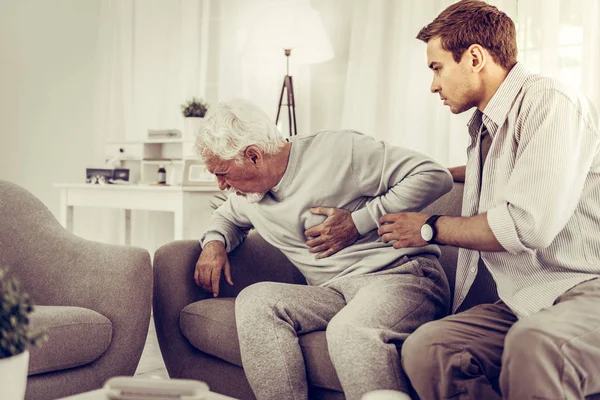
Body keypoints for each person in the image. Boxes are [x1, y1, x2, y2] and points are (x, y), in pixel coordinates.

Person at [372, 1, 600, 399]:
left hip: (586, 289)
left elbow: (528, 224)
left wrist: (429, 227)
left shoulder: (550, 103)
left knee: (535, 344)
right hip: (527, 301)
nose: (433, 85)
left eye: (436, 67)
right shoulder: (485, 128)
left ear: (474, 57)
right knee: (428, 349)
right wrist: (446, 173)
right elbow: (508, 170)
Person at [193, 98, 454, 400]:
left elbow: (433, 175)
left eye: (222, 173)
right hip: (333, 292)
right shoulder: (246, 194)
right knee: (255, 301)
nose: (221, 186)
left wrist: (358, 222)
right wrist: (214, 243)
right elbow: (226, 216)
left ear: (253, 156)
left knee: (349, 331)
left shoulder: (339, 151)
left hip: (400, 276)